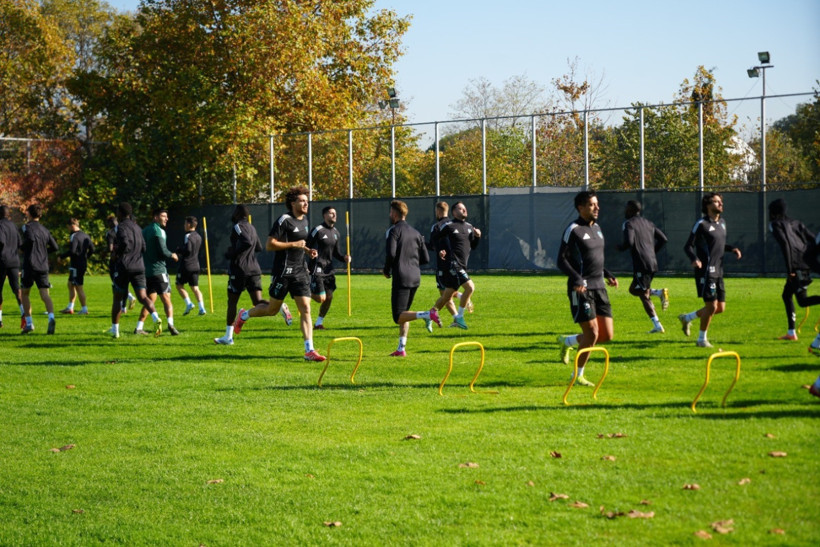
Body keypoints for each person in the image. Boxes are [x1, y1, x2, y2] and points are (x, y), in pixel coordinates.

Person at [233, 186, 325, 361]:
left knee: (305, 308)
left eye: (307, 201)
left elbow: (297, 243)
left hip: (300, 270)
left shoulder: (305, 220)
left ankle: (309, 350)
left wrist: (306, 250)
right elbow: (270, 245)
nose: (306, 203)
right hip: (283, 271)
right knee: (272, 310)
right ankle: (244, 315)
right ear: (293, 203)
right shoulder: (284, 220)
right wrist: (294, 245)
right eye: (302, 201)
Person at [556, 190, 618, 387]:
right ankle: (577, 376)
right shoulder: (573, 229)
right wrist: (577, 279)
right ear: (580, 207)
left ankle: (568, 342)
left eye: (597, 204)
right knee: (592, 333)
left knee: (606, 335)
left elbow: (595, 258)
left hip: (599, 286)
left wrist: (607, 273)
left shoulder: (597, 228)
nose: (597, 207)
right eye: (592, 204)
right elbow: (561, 260)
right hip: (580, 289)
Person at [679, 192, 742, 348]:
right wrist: (694, 259)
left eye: (721, 201)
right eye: (716, 201)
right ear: (707, 205)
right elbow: (688, 246)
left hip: (719, 271)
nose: (720, 204)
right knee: (712, 306)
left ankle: (687, 318)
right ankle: (701, 340)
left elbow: (718, 245)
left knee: (720, 308)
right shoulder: (701, 224)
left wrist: (732, 248)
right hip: (706, 271)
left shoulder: (722, 223)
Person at [383, 199, 439, 357]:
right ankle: (401, 348)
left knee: (398, 316)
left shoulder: (394, 231)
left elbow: (391, 254)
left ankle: (427, 315)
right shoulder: (416, 232)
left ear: (394, 214)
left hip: (401, 276)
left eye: (390, 212)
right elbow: (426, 258)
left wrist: (387, 270)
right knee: (405, 313)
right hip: (415, 277)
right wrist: (412, 264)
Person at [767, 199, 820, 342]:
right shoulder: (796, 223)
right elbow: (814, 240)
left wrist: (790, 269)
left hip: (797, 266)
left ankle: (792, 333)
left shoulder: (775, 224)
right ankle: (791, 333)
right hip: (806, 263)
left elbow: (785, 244)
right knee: (787, 295)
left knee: (802, 301)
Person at [109, 202, 162, 338]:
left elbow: (125, 243)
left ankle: (115, 331)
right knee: (143, 297)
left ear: (120, 213)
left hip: (125, 266)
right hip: (139, 266)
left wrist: (116, 253)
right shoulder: (138, 228)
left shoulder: (120, 227)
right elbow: (144, 247)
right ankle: (156, 317)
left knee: (117, 298)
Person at [615, 200, 669, 334]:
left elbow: (629, 241)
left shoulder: (628, 224)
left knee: (643, 295)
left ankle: (657, 326)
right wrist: (652, 251)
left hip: (642, 263)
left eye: (626, 208)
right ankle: (658, 292)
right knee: (634, 290)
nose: (625, 211)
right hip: (652, 262)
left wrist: (619, 248)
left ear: (631, 210)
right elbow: (664, 239)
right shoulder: (648, 223)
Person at [214, 205, 265, 345]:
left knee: (232, 302)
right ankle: (278, 306)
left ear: (237, 214)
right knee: (257, 302)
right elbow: (259, 247)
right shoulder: (252, 227)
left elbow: (246, 242)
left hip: (240, 270)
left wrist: (233, 252)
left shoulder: (238, 226)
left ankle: (228, 337)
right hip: (254, 269)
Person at [430, 201, 482, 330]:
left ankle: (429, 313)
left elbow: (473, 246)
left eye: (464, 208)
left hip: (462, 265)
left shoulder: (470, 227)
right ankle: (459, 317)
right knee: (470, 287)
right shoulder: (449, 226)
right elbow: (435, 239)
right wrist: (440, 250)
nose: (464, 210)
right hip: (453, 264)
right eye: (460, 208)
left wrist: (478, 237)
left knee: (446, 296)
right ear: (454, 212)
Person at [135, 208, 179, 335]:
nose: (166, 218)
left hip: (147, 272)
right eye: (163, 216)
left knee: (149, 300)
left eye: (167, 216)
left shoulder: (144, 231)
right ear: (155, 217)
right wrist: (172, 255)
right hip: (159, 271)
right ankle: (171, 325)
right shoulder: (158, 230)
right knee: (166, 299)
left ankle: (139, 327)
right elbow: (163, 251)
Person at [307, 206, 350, 330]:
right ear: (325, 215)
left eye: (335, 213)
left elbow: (336, 253)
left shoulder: (336, 232)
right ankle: (301, 291)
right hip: (317, 267)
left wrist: (345, 258)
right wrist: (310, 253)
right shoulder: (317, 230)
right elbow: (306, 246)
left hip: (329, 269)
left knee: (329, 297)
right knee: (321, 298)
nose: (334, 215)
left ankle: (318, 323)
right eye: (331, 213)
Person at [20, 204, 59, 334]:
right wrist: (44, 252)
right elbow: (55, 247)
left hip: (30, 264)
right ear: (40, 215)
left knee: (25, 293)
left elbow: (30, 240)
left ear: (29, 214)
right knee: (45, 295)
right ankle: (51, 318)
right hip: (43, 265)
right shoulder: (45, 230)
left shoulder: (27, 227)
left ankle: (29, 323)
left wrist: (22, 247)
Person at [428, 201, 459, 322]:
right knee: (448, 292)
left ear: (438, 211)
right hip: (456, 263)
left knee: (444, 294)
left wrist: (421, 242)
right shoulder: (454, 224)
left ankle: (430, 315)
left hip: (443, 265)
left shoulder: (436, 226)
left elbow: (432, 246)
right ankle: (457, 318)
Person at [59, 218, 95, 315]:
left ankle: (84, 309)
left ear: (72, 225)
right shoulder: (85, 235)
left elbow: (72, 251)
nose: (68, 229)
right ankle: (70, 307)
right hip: (82, 263)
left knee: (79, 287)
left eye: (68, 227)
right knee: (70, 284)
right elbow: (92, 249)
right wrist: (85, 257)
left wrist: (61, 257)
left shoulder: (74, 236)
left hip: (76, 265)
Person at [175, 216, 206, 316]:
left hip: (186, 265)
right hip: (196, 265)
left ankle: (189, 303)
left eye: (185, 224)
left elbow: (188, 250)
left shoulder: (188, 236)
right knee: (195, 288)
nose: (184, 226)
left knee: (179, 285)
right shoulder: (199, 236)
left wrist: (179, 250)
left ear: (189, 224)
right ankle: (202, 308)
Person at [0, 205, 24, 329]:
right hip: (14, 261)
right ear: (8, 214)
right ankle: (23, 314)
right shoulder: (13, 226)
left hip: (2, 261)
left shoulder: (0, 225)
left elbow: (1, 241)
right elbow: (20, 243)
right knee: (17, 289)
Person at [106, 214, 135, 314]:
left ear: (110, 223)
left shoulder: (110, 233)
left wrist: (110, 251)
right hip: (128, 260)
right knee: (125, 283)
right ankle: (124, 307)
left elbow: (110, 248)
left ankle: (124, 303)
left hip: (116, 261)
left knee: (117, 284)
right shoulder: (126, 229)